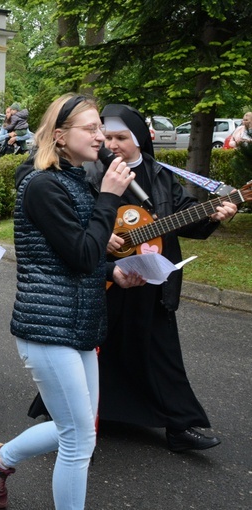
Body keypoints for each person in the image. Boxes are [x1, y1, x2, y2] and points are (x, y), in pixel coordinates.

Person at [0, 94, 139, 510]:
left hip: (79, 321)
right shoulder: (43, 184)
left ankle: (0, 456)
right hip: (47, 325)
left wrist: (112, 272)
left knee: (78, 429)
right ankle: (0, 458)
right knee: (78, 440)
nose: (101, 136)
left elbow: (77, 255)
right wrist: (109, 198)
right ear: (60, 135)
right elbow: (83, 252)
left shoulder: (76, 178)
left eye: (100, 128)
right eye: (91, 128)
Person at [91, 104, 237, 452]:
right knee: (95, 353)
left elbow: (189, 217)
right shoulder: (93, 173)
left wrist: (216, 214)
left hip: (153, 282)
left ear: (140, 138)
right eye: (107, 137)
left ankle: (179, 426)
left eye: (121, 138)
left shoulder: (160, 175)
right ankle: (82, 425)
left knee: (162, 353)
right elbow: (78, 219)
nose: (112, 144)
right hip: (108, 280)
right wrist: (100, 237)